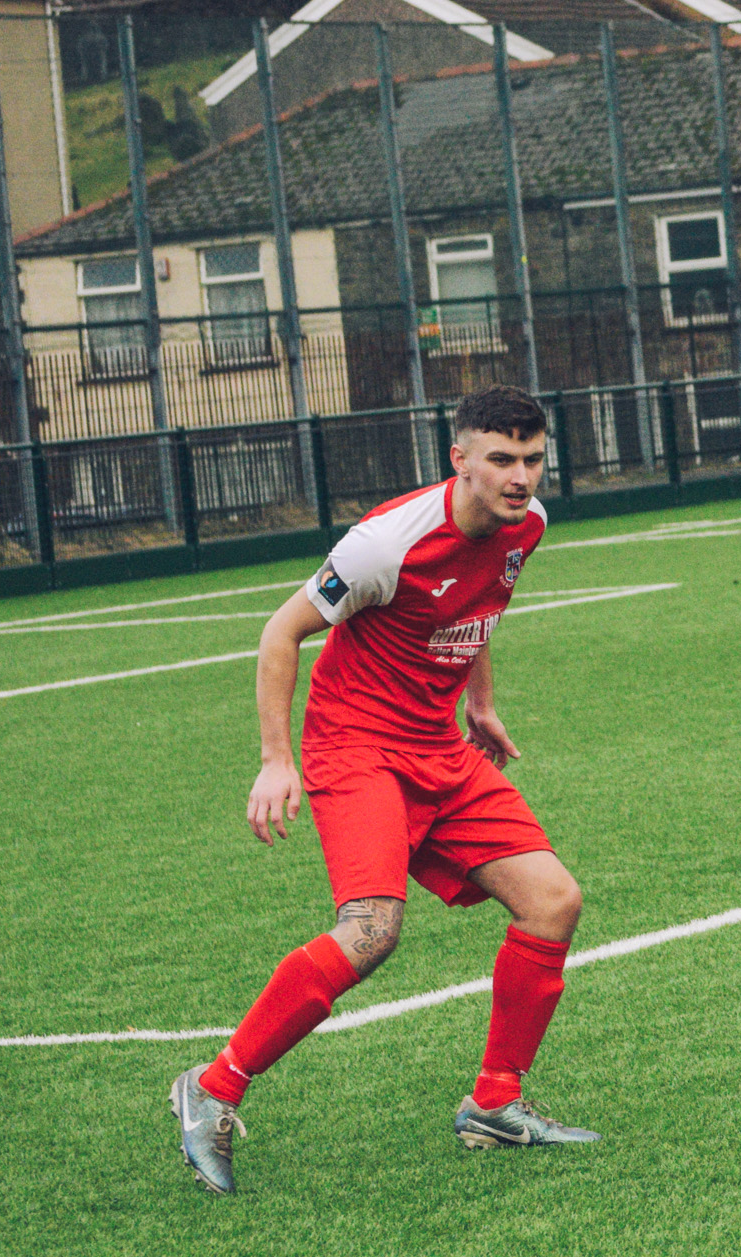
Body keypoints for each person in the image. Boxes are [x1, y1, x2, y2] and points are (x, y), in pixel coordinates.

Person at [169, 385, 595, 1193]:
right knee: (370, 931)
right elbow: (280, 631)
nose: (521, 477)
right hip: (356, 747)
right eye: (501, 460)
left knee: (553, 902)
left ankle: (495, 1104)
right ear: (459, 458)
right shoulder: (384, 544)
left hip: (439, 746)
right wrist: (274, 758)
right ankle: (214, 1086)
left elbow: (477, 613)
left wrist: (482, 704)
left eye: (533, 459)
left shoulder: (526, 525)